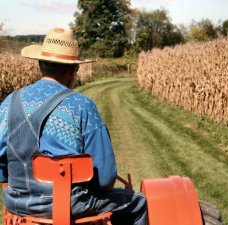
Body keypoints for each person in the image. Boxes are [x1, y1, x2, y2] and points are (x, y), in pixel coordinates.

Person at [0, 27, 147, 225]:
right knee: (139, 204)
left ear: (40, 64)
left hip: (18, 206)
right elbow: (105, 178)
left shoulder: (9, 103)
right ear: (73, 70)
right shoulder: (82, 106)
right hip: (71, 205)